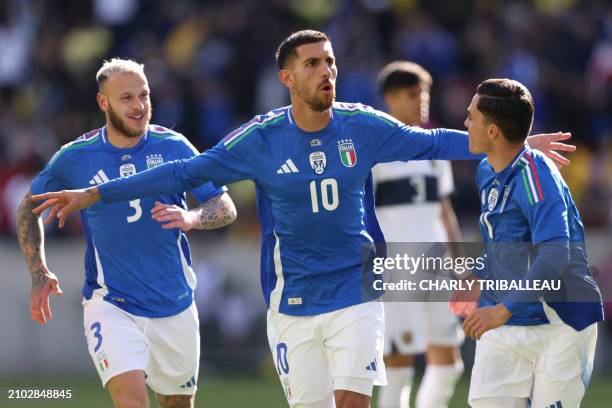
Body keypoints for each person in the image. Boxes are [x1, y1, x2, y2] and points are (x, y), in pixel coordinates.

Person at [30, 31, 575, 408]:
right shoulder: (260, 139)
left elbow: (431, 140)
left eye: (331, 61)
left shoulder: (362, 126)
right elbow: (182, 173)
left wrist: (516, 142)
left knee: (353, 399)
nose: (327, 71)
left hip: (356, 292)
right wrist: (97, 195)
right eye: (313, 64)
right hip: (291, 303)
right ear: (288, 78)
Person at [16, 58, 237, 408]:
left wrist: (192, 218)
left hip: (175, 303)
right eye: (127, 98)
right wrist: (38, 271)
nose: (139, 106)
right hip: (111, 303)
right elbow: (28, 207)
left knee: (178, 403)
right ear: (103, 103)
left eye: (144, 96)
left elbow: (224, 206)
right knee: (132, 401)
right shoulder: (75, 157)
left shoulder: (174, 147)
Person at [451, 78, 603, 407]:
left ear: (492, 131)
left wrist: (501, 311)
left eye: (471, 117)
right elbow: (502, 242)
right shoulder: (486, 170)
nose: (465, 124)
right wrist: (478, 274)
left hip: (560, 321)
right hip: (505, 318)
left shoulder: (536, 176)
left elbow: (554, 255)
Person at [374, 61, 464, 408]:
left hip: (437, 265)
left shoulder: (435, 147)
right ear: (390, 98)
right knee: (398, 363)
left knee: (449, 363)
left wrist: (460, 265)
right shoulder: (376, 150)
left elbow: (445, 209)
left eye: (425, 92)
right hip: (396, 267)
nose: (422, 100)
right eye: (413, 94)